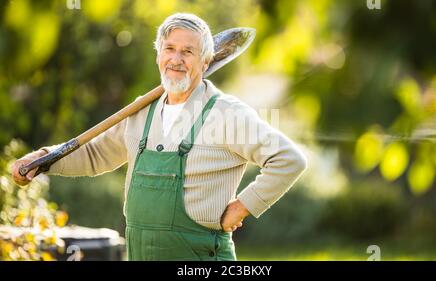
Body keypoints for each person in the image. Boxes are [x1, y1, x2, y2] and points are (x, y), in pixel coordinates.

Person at [11, 13, 307, 261]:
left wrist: (243, 206)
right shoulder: (142, 111)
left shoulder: (226, 113)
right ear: (158, 55)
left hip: (201, 257)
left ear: (206, 62)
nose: (176, 59)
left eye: (188, 52)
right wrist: (44, 159)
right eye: (169, 49)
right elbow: (95, 155)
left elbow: (288, 159)